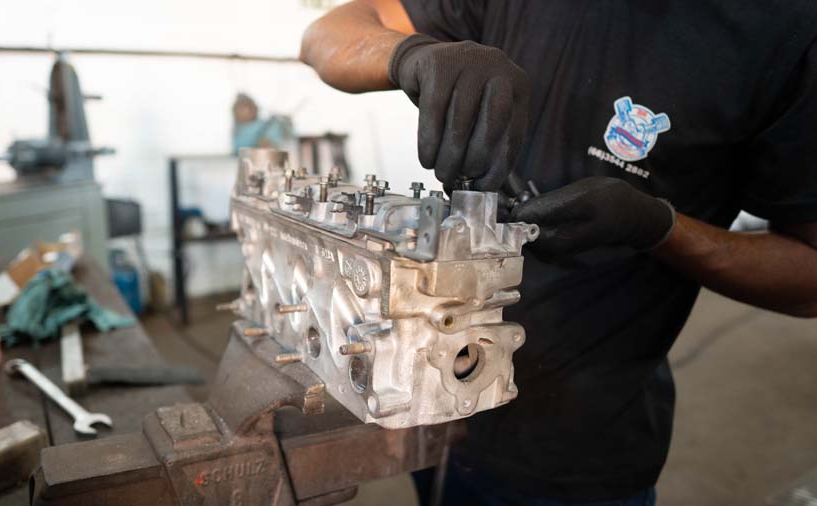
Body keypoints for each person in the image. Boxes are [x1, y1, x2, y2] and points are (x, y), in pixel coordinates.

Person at [300, 1, 817, 504]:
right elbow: (324, 35)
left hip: (574, 451)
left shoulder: (787, 32)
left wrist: (658, 227)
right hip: (423, 407)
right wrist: (409, 55)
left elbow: (807, 278)